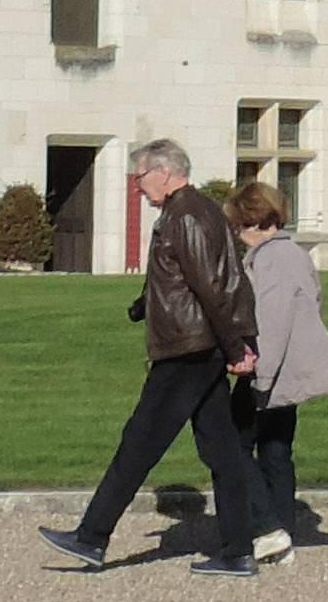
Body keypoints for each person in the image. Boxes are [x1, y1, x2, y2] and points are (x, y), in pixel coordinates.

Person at [40, 140, 291, 572]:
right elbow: (186, 277)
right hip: (198, 347)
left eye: (141, 176)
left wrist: (237, 347)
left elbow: (212, 286)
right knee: (224, 452)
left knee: (139, 444)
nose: (138, 186)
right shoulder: (195, 211)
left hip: (187, 351)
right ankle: (237, 551)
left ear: (166, 173)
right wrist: (145, 305)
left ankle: (91, 536)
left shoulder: (186, 215)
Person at [223, 180, 328, 542]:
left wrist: (260, 376)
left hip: (271, 369)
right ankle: (282, 528)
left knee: (232, 444)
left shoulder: (272, 258)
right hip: (290, 368)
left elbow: (272, 323)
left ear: (256, 220)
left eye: (241, 224)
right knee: (276, 449)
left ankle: (268, 525)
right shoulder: (294, 254)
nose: (238, 232)